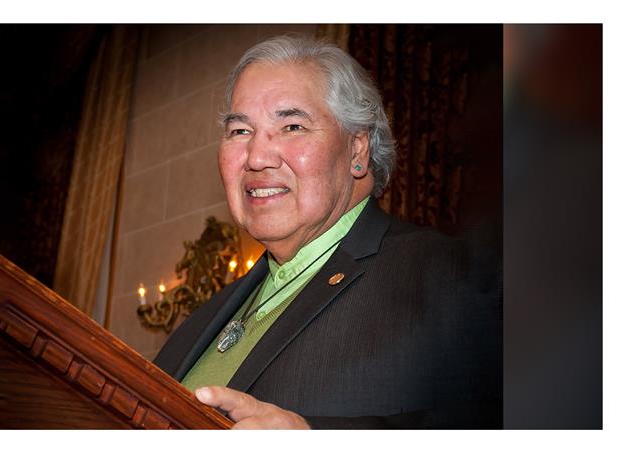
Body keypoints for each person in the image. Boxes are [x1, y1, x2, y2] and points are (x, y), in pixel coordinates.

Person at [153, 35, 500, 429]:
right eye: (239, 132)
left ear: (357, 151)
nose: (256, 157)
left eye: (292, 125)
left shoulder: (454, 275)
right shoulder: (195, 327)